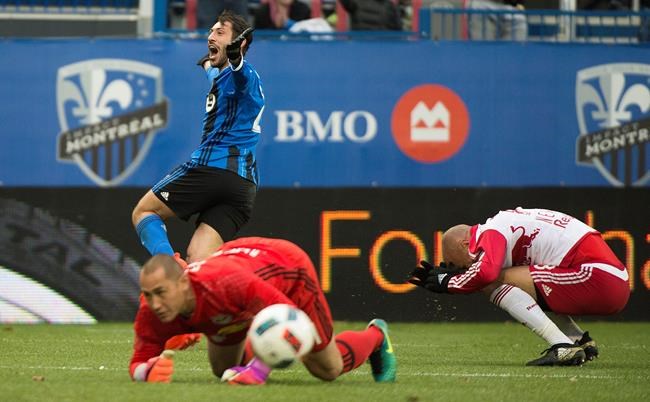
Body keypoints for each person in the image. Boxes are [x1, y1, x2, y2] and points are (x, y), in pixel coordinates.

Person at [129, 237, 397, 385]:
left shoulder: (226, 284)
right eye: (149, 295)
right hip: (239, 270)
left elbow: (289, 320)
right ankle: (249, 340)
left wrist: (258, 370)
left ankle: (376, 337)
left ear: (184, 283)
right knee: (223, 369)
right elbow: (139, 360)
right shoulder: (151, 309)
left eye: (161, 294)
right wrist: (146, 372)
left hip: (288, 270)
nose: (155, 304)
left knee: (327, 369)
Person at [408, 207, 629, 366]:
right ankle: (576, 339)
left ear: (464, 244)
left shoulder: (493, 230)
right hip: (610, 277)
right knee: (510, 281)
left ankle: (562, 345)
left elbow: (485, 273)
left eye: (455, 264)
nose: (459, 269)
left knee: (491, 282)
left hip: (599, 277)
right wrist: (455, 281)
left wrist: (448, 282)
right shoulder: (504, 227)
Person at [132, 10, 264, 265]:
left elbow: (239, 75)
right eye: (211, 30)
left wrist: (236, 59)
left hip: (213, 167)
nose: (210, 36)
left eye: (219, 32)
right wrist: (208, 64)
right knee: (200, 262)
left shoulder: (243, 74)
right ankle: (223, 299)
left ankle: (169, 270)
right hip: (242, 188)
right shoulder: (221, 75)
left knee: (144, 211)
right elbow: (218, 74)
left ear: (240, 43)